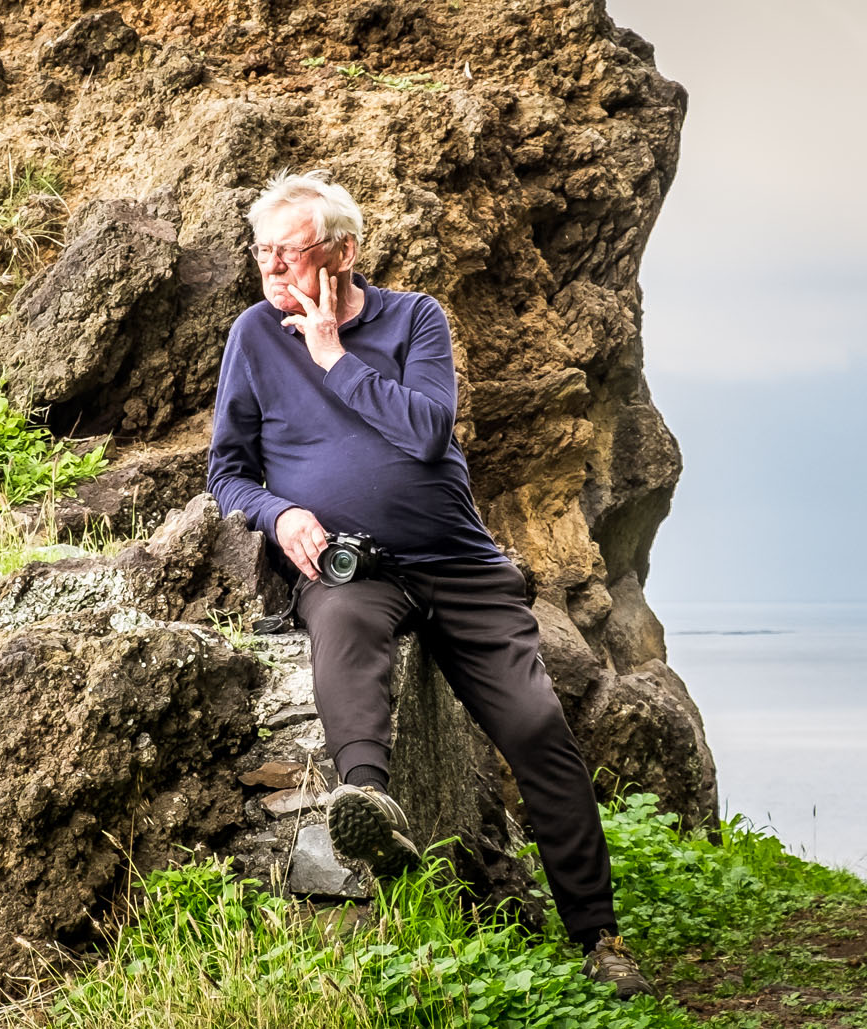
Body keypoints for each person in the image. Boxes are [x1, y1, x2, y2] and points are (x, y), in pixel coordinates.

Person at [206, 171, 653, 999]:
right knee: (341, 622)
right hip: (354, 568)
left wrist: (333, 356)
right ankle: (368, 807)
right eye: (261, 250)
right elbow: (226, 471)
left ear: (342, 252)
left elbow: (425, 431)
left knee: (538, 729)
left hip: (458, 561)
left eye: (287, 251)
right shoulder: (253, 335)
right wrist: (280, 513)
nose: (270, 267)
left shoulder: (415, 318)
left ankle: (600, 935)